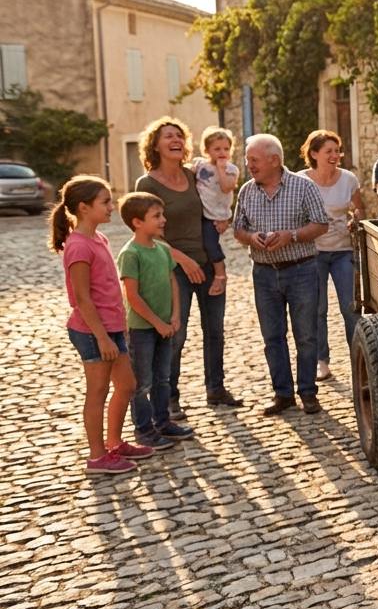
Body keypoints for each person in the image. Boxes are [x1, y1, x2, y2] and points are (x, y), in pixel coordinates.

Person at [136, 118, 240, 416]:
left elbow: (216, 202)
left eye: (179, 134)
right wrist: (182, 260)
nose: (175, 139)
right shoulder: (147, 183)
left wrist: (225, 220)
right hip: (172, 269)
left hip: (208, 264)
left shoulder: (195, 175)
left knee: (215, 330)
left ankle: (216, 389)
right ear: (155, 145)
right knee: (175, 334)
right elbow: (146, 234)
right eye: (168, 135)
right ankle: (169, 397)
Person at [49, 176, 153, 475]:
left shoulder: (100, 239)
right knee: (97, 391)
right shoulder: (78, 246)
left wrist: (118, 328)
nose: (111, 206)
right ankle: (97, 457)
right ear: (83, 208)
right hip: (93, 331)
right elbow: (82, 299)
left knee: (127, 385)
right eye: (105, 202)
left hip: (112, 328)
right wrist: (103, 338)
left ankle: (114, 443)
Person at [233, 134, 330, 416]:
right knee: (272, 337)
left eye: (254, 160)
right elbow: (238, 229)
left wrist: (293, 236)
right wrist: (251, 238)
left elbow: (321, 224)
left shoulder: (303, 186)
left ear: (274, 160)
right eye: (248, 160)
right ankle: (283, 394)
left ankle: (308, 393)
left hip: (301, 270)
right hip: (263, 274)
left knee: (306, 336)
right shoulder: (247, 191)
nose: (249, 165)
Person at [117, 192, 195, 449]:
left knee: (163, 378)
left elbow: (172, 281)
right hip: (142, 330)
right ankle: (143, 429)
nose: (163, 220)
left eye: (162, 214)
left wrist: (174, 315)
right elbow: (132, 295)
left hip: (165, 326)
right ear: (137, 222)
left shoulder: (162, 248)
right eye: (156, 216)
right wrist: (157, 323)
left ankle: (163, 422)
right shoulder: (131, 253)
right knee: (142, 383)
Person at [300, 130, 364, 382]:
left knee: (350, 306)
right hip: (312, 251)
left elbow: (359, 207)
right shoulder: (301, 180)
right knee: (317, 308)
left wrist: (357, 220)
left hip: (342, 250)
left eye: (337, 150)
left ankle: (359, 359)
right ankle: (321, 361)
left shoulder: (348, 179)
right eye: (329, 151)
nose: (335, 155)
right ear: (314, 154)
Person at [189, 127, 239, 297]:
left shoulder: (231, 169)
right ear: (207, 150)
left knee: (210, 243)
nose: (222, 152)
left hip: (216, 215)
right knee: (199, 241)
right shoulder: (200, 164)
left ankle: (220, 271)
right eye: (217, 149)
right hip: (199, 212)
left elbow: (226, 188)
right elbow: (186, 172)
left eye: (226, 149)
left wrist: (221, 168)